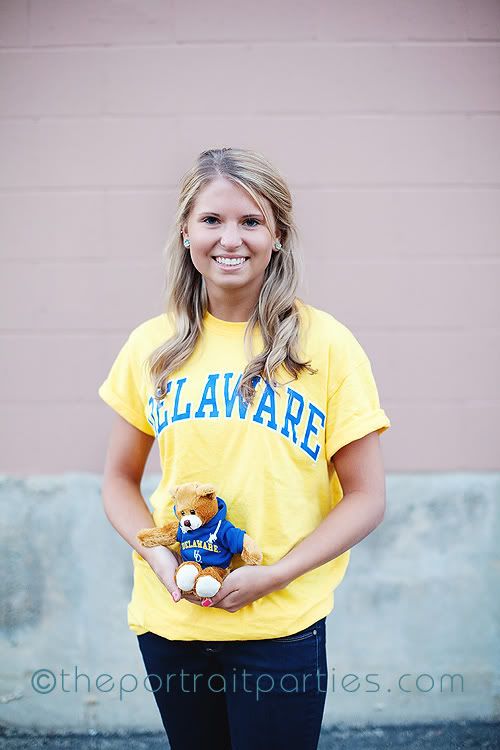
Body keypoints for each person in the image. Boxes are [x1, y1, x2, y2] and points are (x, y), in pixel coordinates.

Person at [98, 147, 391, 750]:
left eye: (251, 221)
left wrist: (275, 574)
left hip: (280, 626)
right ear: (186, 231)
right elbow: (118, 480)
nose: (230, 239)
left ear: (277, 235)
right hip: (173, 623)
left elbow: (366, 497)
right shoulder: (152, 346)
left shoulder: (325, 345)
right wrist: (156, 557)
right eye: (211, 219)